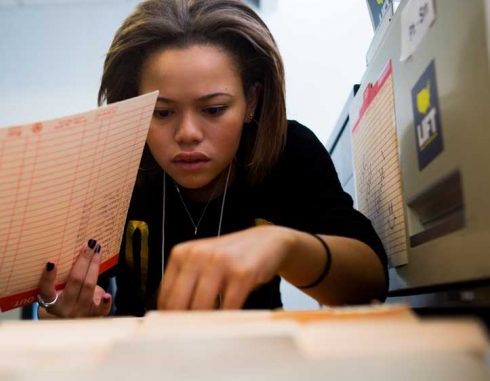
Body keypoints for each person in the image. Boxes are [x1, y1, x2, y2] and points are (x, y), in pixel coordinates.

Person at [36, 0, 388, 318]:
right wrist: (61, 312)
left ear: (252, 100)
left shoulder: (287, 150)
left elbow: (371, 283)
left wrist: (285, 245)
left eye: (214, 109)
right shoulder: (115, 167)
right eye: (161, 113)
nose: (187, 133)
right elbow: (59, 295)